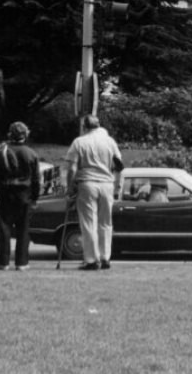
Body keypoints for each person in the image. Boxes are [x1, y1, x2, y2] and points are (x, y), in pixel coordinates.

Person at [65, 114, 124, 271]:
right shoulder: (110, 142)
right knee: (105, 222)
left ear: (85, 127)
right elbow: (119, 166)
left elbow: (72, 168)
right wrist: (118, 186)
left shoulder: (79, 142)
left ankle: (92, 260)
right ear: (99, 126)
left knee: (89, 222)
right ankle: (105, 258)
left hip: (87, 183)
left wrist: (70, 187)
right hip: (107, 184)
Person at [0, 121, 41, 271]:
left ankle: (3, 262)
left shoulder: (3, 150)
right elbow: (36, 179)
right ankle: (22, 263)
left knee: (4, 228)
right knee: (23, 230)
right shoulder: (31, 153)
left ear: (10, 134)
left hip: (6, 192)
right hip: (25, 194)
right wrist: (35, 198)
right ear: (25, 135)